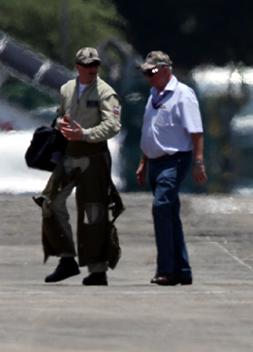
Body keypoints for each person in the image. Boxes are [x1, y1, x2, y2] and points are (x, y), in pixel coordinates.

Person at [36, 47, 125, 286]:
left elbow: (112, 126)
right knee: (50, 202)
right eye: (87, 65)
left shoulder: (107, 93)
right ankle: (66, 259)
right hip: (69, 154)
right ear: (78, 67)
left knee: (94, 212)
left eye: (95, 64)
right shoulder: (67, 89)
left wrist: (84, 134)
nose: (93, 69)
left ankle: (97, 270)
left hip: (93, 156)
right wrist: (60, 123)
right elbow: (60, 115)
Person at [135, 51, 207, 286]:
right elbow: (150, 131)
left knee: (161, 208)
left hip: (175, 161)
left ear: (166, 69)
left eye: (151, 72)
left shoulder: (182, 95)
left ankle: (166, 269)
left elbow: (196, 131)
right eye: (145, 73)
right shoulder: (154, 94)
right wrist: (144, 163)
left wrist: (198, 162)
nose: (148, 77)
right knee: (170, 215)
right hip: (155, 162)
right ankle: (182, 270)